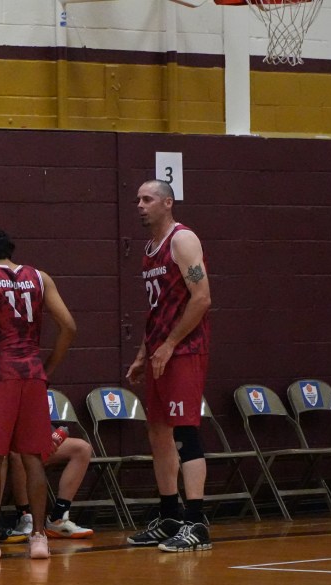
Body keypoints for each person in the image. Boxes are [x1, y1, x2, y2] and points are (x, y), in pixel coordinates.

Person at [0, 228, 77, 561]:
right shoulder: (40, 277)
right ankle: (39, 538)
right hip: (32, 373)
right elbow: (69, 326)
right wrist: (47, 367)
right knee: (33, 458)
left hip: (1, 373)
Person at [125, 179, 213, 552]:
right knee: (158, 433)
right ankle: (170, 516)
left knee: (184, 432)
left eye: (147, 199)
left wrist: (171, 344)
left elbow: (202, 298)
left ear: (167, 203)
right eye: (138, 200)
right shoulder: (149, 249)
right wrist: (144, 353)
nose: (139, 205)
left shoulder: (183, 240)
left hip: (185, 350)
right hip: (161, 352)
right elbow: (159, 310)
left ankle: (197, 522)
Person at [0, 367, 93, 542]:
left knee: (82, 448)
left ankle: (58, 518)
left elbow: (32, 418)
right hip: (3, 445)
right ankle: (24, 516)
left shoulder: (15, 379)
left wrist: (48, 437)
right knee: (16, 450)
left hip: (28, 438)